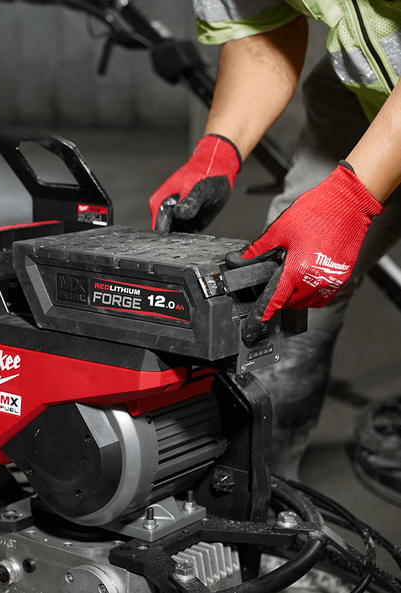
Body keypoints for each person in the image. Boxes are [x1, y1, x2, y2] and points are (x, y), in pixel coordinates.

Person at [149, 1, 401, 479]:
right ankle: (266, 488)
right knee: (293, 277)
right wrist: (220, 147)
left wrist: (350, 196)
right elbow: (261, 24)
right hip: (365, 88)